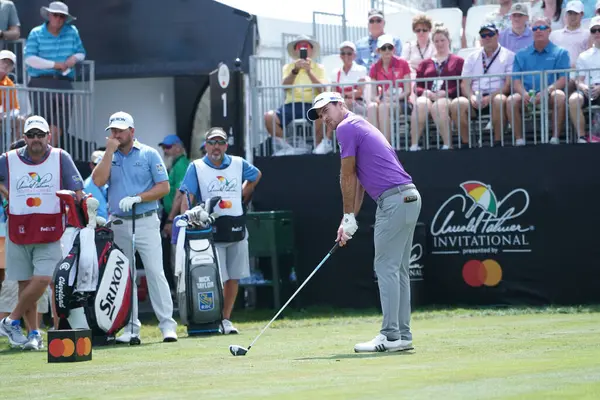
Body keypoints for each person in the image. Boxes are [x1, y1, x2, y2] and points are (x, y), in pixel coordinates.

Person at [306, 92, 421, 353]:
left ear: (340, 105)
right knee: (398, 270)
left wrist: (347, 217)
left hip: (395, 200)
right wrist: (350, 220)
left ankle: (391, 335)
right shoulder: (358, 125)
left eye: (326, 110)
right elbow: (357, 179)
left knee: (386, 267)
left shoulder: (346, 127)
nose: (324, 117)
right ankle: (402, 336)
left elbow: (346, 175)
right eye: (320, 114)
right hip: (408, 197)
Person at [91, 111, 178, 343]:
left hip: (146, 220)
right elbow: (98, 181)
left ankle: (167, 326)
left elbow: (164, 187)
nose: (116, 134)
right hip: (120, 222)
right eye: (113, 130)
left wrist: (139, 198)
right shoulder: (109, 156)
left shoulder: (149, 154)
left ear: (132, 131)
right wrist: (109, 151)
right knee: (124, 276)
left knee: (155, 272)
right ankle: (131, 328)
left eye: (120, 130)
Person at [0, 115, 84, 350]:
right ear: (24, 137)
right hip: (18, 226)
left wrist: (85, 207)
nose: (36, 139)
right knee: (24, 283)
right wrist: (7, 195)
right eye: (31, 135)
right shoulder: (8, 159)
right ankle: (33, 333)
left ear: (49, 136)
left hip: (50, 226)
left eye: (40, 134)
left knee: (46, 278)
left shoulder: (60, 157)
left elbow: (78, 189)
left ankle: (9, 320)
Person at [179, 127, 262, 335]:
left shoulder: (237, 163)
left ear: (226, 145)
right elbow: (186, 195)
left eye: (220, 142)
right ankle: (212, 319)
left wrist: (244, 193)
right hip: (211, 230)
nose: (216, 147)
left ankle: (225, 319)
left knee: (233, 277)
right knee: (216, 277)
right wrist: (187, 217)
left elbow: (256, 175)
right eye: (212, 142)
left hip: (236, 226)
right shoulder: (196, 167)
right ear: (206, 145)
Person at [24, 2, 86, 148]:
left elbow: (81, 52)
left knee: (60, 124)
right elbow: (29, 58)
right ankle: (40, 154)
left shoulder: (72, 31)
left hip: (64, 82)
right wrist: (55, 65)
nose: (59, 19)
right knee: (41, 123)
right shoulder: (36, 32)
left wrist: (74, 58)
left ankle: (50, 153)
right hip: (41, 82)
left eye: (62, 16)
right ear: (49, 15)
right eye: (56, 15)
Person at [507, 16, 570, 145]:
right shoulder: (521, 54)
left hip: (550, 94)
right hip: (527, 95)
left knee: (560, 96)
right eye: (535, 28)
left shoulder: (561, 53)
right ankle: (519, 140)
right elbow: (516, 81)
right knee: (511, 100)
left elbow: (563, 79)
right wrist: (524, 94)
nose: (538, 31)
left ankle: (555, 138)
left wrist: (547, 91)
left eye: (542, 28)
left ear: (549, 30)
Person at [451, 23, 515, 147]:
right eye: (483, 35)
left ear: (497, 35)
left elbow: (508, 85)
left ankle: (497, 142)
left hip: (497, 95)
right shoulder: (471, 57)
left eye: (490, 34)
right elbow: (465, 84)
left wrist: (490, 97)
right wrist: (471, 97)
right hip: (475, 97)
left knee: (499, 99)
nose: (487, 38)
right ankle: (466, 144)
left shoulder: (509, 56)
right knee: (457, 104)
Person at [263, 35, 328, 156]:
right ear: (295, 50)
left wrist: (309, 72)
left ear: (311, 50)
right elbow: (285, 86)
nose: (303, 49)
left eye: (306, 46)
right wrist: (295, 70)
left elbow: (323, 90)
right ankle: (285, 148)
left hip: (311, 104)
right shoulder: (288, 67)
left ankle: (318, 150)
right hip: (290, 105)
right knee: (268, 117)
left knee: (321, 115)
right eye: (300, 46)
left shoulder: (319, 68)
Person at [411, 23, 465, 151]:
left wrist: (446, 93)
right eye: (436, 41)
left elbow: (461, 84)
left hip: (448, 97)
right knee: (420, 103)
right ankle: (414, 145)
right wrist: (425, 92)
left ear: (449, 41)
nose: (440, 44)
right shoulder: (425, 63)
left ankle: (447, 144)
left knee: (439, 106)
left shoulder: (458, 61)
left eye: (442, 40)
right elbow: (416, 86)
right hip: (429, 96)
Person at [158, 134, 190, 291]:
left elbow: (181, 194)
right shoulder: (177, 165)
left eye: (168, 147)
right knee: (173, 258)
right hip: (173, 217)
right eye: (164, 147)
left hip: (177, 218)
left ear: (179, 147)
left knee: (177, 259)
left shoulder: (182, 165)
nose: (165, 150)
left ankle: (181, 295)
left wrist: (170, 220)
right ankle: (179, 295)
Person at [367, 34, 411, 142]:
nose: (387, 50)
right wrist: (380, 99)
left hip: (402, 102)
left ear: (394, 49)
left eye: (389, 47)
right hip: (385, 101)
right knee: (372, 106)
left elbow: (407, 91)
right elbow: (373, 96)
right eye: (383, 48)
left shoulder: (403, 63)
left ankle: (386, 147)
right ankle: (375, 145)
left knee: (383, 107)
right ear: (378, 50)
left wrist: (392, 99)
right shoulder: (374, 67)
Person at [568, 15, 600, 142]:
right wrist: (583, 87)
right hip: (588, 89)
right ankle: (582, 137)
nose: (597, 33)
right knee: (574, 99)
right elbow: (579, 80)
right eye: (594, 30)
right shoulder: (583, 56)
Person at [401, 14, 435, 79]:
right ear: (414, 31)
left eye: (424, 30)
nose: (421, 32)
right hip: (412, 78)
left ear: (430, 30)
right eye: (418, 30)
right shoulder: (408, 46)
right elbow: (403, 64)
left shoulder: (434, 47)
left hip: (429, 77)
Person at [83, 150, 108, 220]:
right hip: (95, 228)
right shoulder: (85, 187)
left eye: (102, 164)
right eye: (97, 164)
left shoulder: (108, 184)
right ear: (91, 165)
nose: (100, 168)